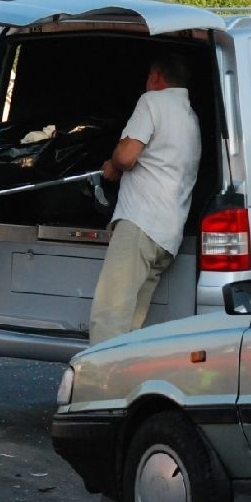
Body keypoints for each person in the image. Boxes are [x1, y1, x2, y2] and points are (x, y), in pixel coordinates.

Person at [89, 53, 201, 345]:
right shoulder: (191, 118)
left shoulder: (152, 102)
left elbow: (126, 156)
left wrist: (112, 166)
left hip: (141, 223)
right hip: (167, 234)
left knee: (110, 319)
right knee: (130, 327)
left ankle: (99, 386)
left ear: (156, 76)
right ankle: (122, 384)